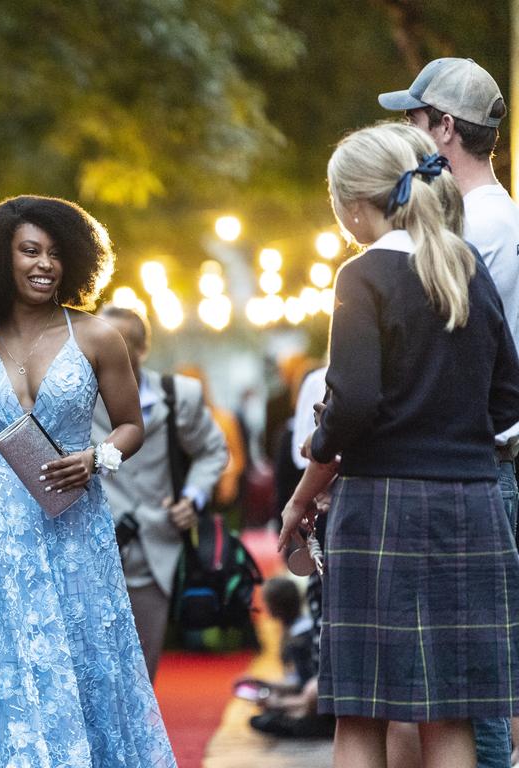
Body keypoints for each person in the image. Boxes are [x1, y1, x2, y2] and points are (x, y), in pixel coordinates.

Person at [281, 123, 519, 768]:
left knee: (362, 712)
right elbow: (508, 396)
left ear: (353, 203)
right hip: (471, 504)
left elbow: (354, 401)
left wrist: (317, 456)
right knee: (451, 714)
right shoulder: (465, 267)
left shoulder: (363, 275)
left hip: (380, 504)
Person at [0, 195, 175, 767]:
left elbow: (131, 426)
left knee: (81, 648)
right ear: (1, 258)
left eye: (55, 254)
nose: (44, 264)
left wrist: (97, 459)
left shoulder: (96, 337)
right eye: (29, 251)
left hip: (72, 518)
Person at [380, 61, 519, 767]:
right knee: (466, 688)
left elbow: (456, 365)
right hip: (481, 464)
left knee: (466, 695)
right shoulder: (497, 217)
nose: (403, 130)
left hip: (467, 471)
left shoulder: (475, 229)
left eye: (414, 117)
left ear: (444, 128)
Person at [92, 304, 228, 680]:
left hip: (157, 550)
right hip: (92, 547)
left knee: (141, 672)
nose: (110, 352)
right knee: (94, 669)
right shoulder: (76, 398)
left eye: (122, 343)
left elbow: (213, 451)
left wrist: (192, 499)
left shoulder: (177, 395)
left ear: (142, 349)